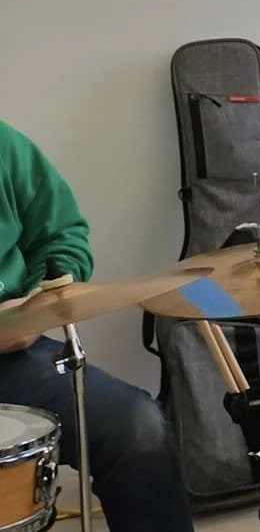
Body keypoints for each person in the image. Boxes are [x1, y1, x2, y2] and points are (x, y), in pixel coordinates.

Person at [0, 118, 194, 532]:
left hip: (11, 354)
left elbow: (61, 238)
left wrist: (34, 306)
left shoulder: (4, 144)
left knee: (137, 426)